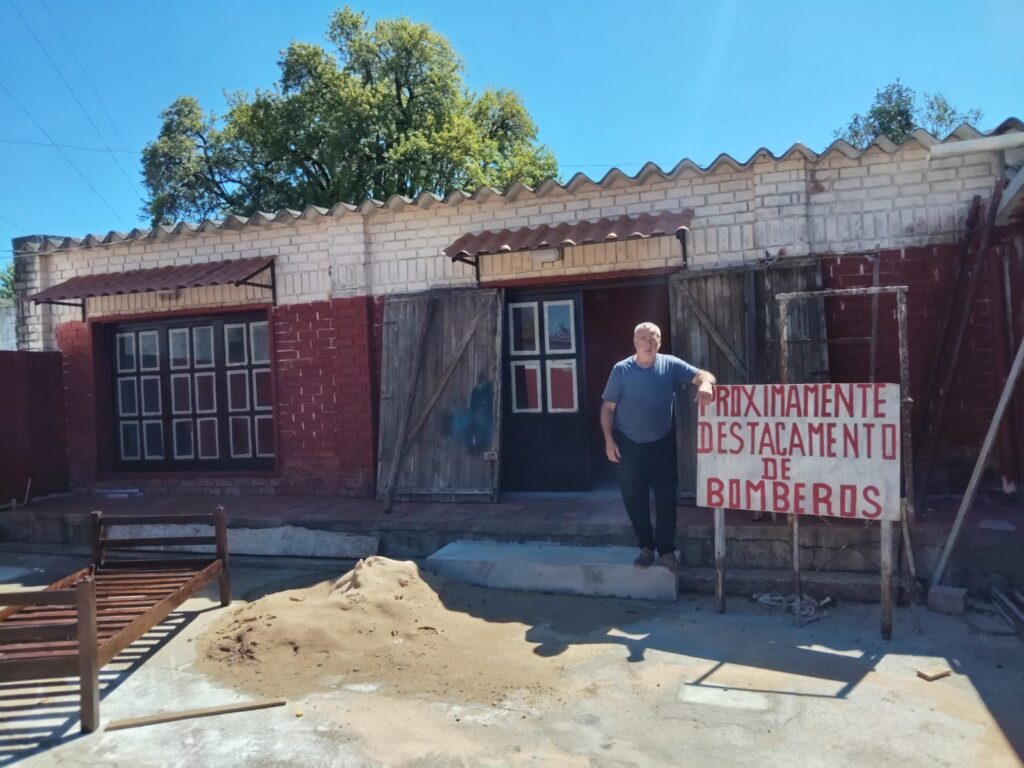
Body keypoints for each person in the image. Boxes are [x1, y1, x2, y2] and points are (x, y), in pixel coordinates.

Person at [600, 322, 716, 572]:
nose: (649, 344)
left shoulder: (670, 364)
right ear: (635, 342)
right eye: (644, 339)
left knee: (665, 499)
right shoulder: (621, 370)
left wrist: (706, 384)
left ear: (660, 342)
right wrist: (609, 441)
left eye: (654, 339)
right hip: (628, 444)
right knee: (634, 499)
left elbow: (704, 375)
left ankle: (665, 550)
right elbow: (607, 409)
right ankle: (645, 547)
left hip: (661, 443)